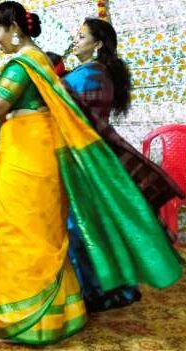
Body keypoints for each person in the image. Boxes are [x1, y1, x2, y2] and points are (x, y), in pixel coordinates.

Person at [0, 1, 182, 345]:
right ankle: (63, 312)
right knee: (44, 234)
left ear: (15, 28)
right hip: (36, 157)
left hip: (27, 162)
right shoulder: (38, 63)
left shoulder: (22, 65)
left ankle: (28, 321)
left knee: (18, 234)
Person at [63, 18, 184, 312]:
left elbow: (64, 108)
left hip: (87, 160)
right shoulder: (90, 73)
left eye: (82, 36)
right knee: (95, 224)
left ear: (98, 43)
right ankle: (110, 288)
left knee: (81, 225)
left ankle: (98, 291)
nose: (75, 40)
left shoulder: (92, 75)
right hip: (87, 157)